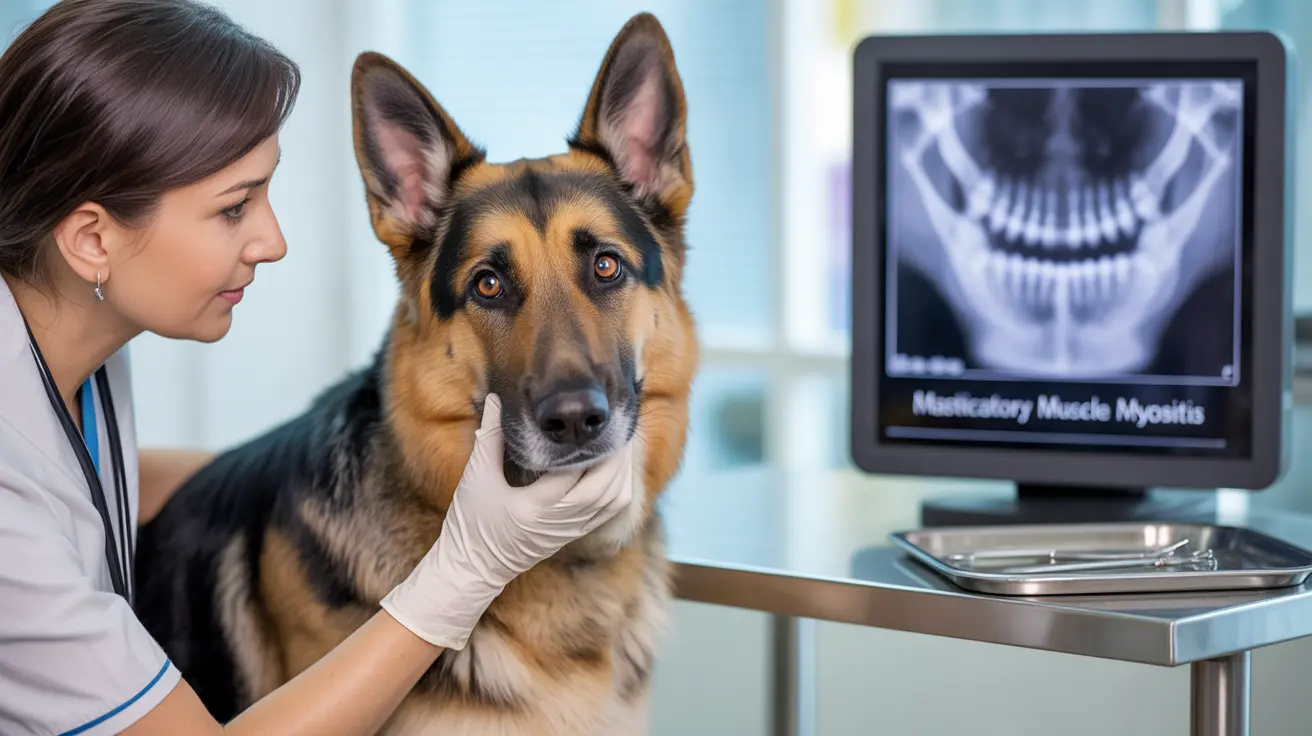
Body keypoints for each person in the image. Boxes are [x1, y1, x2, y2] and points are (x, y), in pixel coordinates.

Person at [0, 1, 638, 735]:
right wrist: (465, 571)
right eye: (234, 208)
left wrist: (332, 479)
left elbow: (80, 480)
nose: (272, 241)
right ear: (92, 239)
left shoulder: (67, 336)